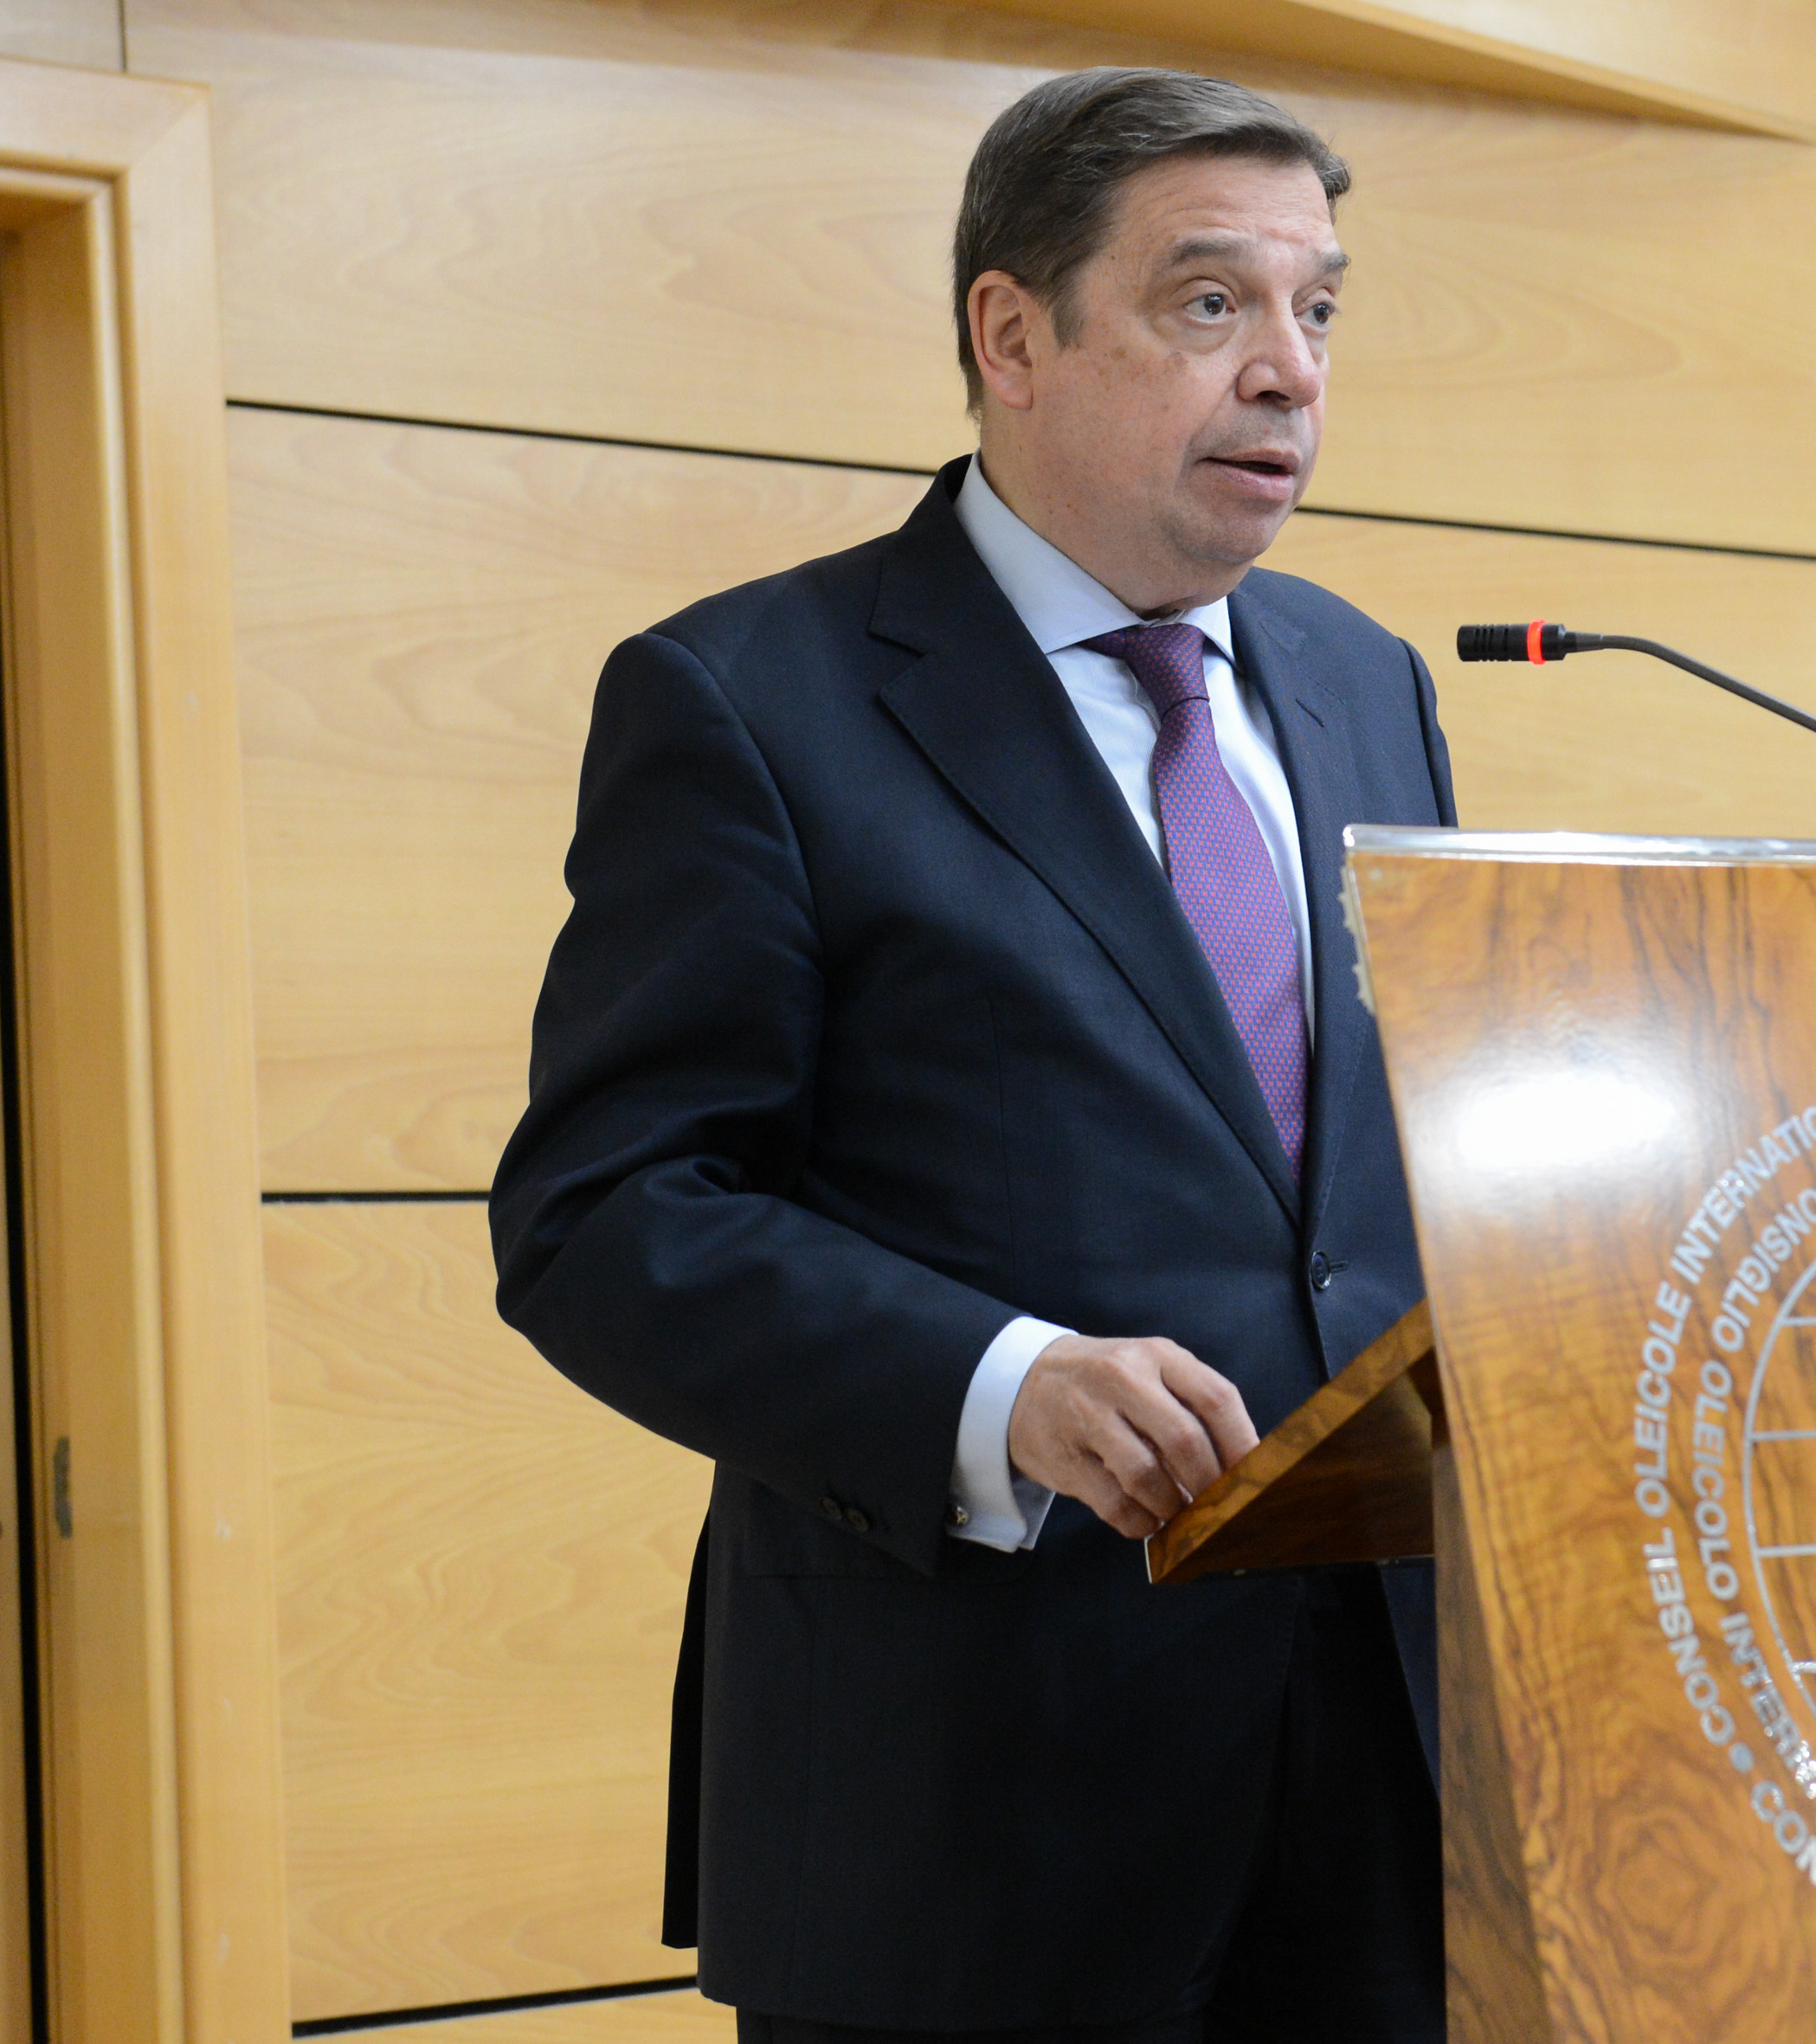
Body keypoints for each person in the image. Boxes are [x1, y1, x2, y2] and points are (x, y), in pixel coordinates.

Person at [489, 67, 1452, 2042]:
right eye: (1210, 302)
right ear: (1012, 335)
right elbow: (607, 1215)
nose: (1288, 371)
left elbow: (1369, 1185)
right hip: (970, 1809)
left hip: (1385, 1781)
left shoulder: (1364, 682)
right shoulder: (751, 700)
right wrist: (998, 1385)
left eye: (1319, 309)